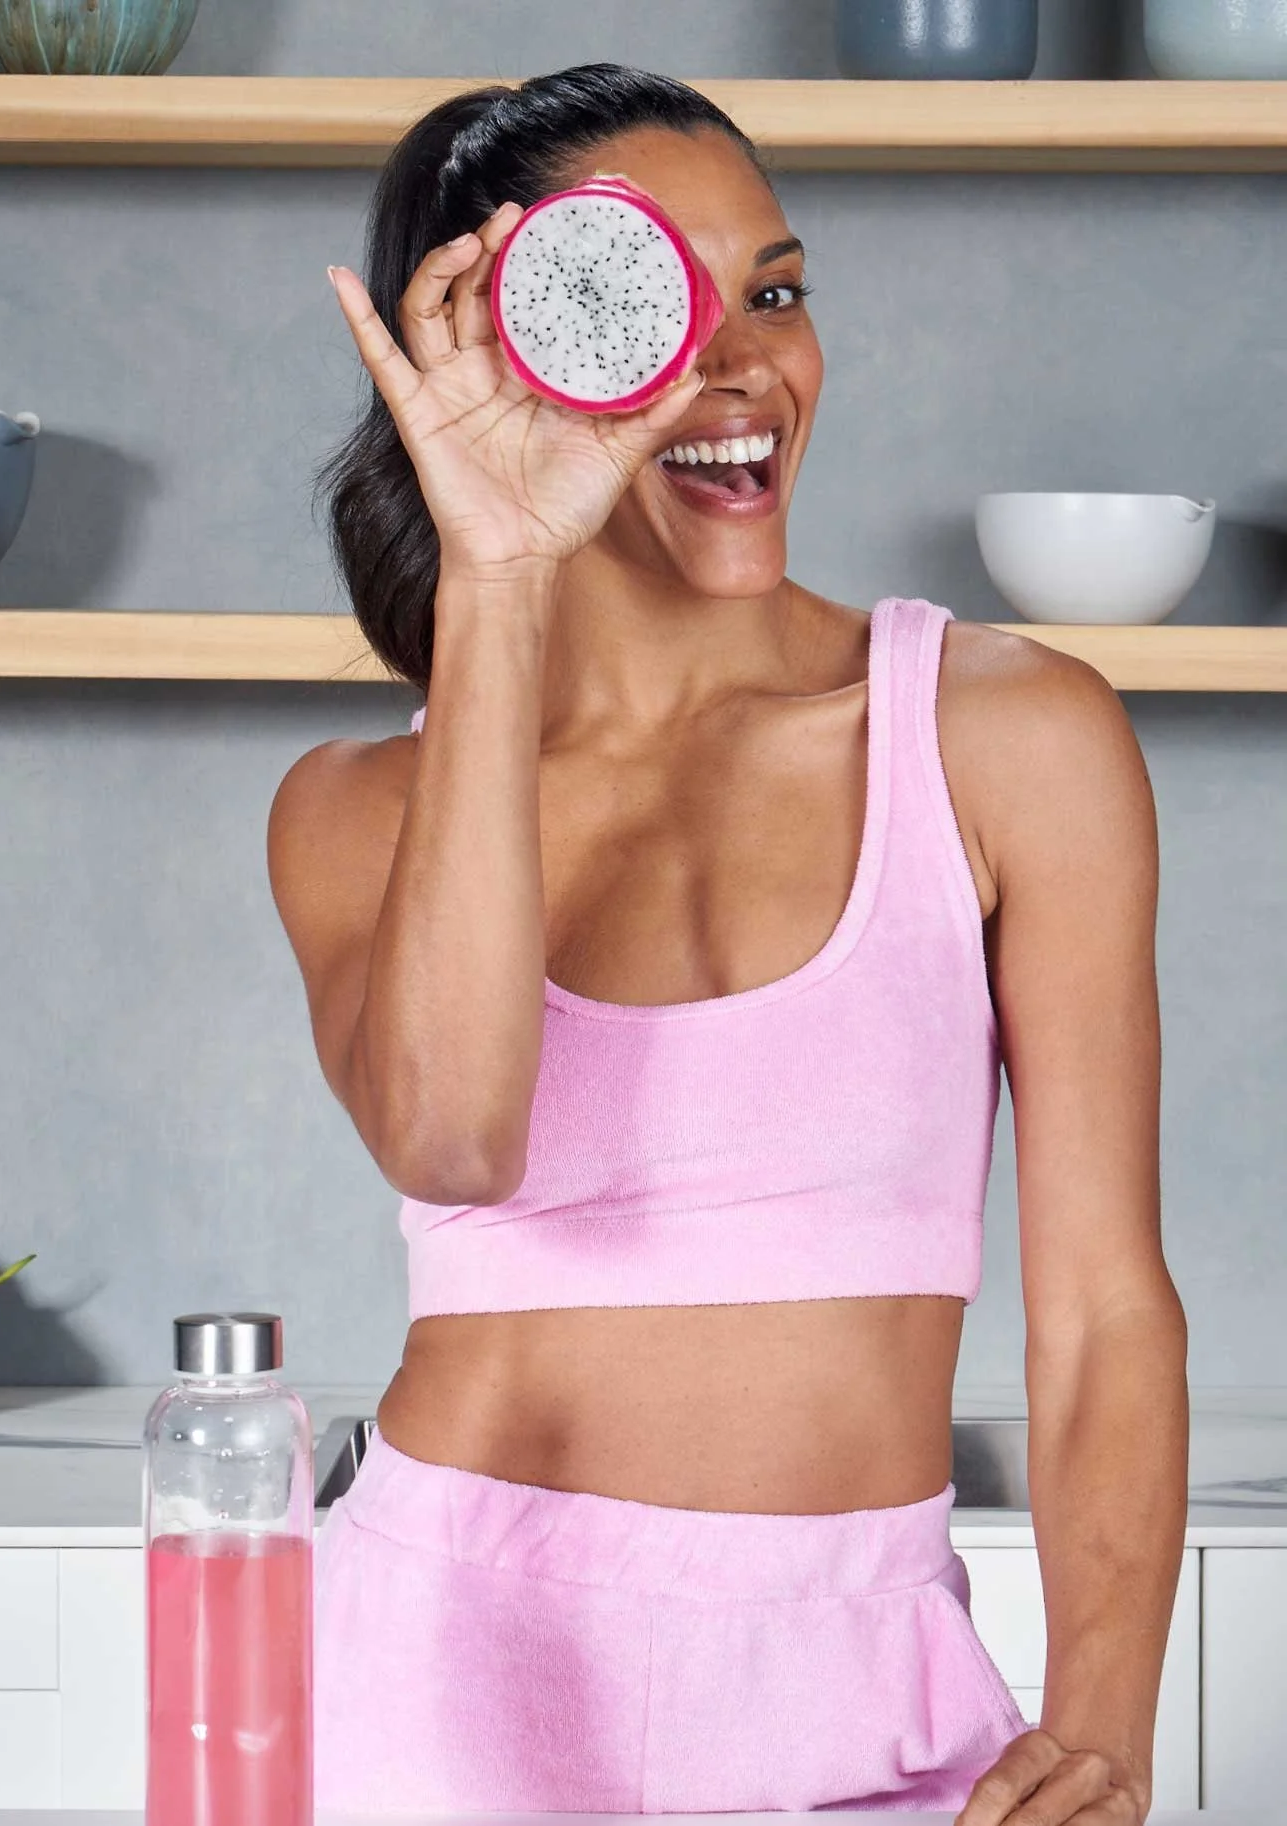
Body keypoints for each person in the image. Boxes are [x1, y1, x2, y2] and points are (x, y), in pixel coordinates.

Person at [267, 61, 1188, 1821]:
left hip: (875, 1691)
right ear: (493, 352)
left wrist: (1107, 1721)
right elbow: (456, 1138)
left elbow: (1099, 1312)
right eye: (645, 307)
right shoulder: (352, 809)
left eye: (772, 289)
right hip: (445, 1679)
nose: (745, 366)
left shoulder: (1005, 735)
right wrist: (496, 578)